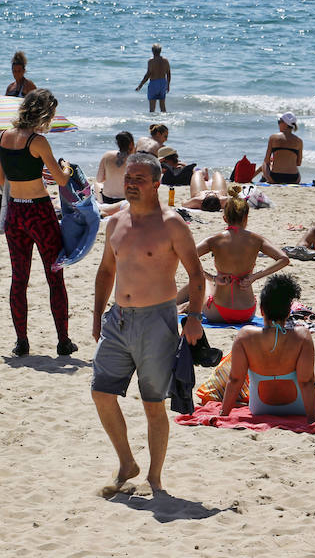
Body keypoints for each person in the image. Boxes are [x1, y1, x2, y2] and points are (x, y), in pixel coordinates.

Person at [91, 151, 205, 496]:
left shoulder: (172, 224)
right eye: (128, 178)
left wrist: (195, 317)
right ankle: (127, 462)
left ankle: (154, 478)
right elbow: (106, 270)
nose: (131, 185)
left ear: (157, 183)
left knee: (152, 403)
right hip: (118, 319)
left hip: (157, 320)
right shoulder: (116, 222)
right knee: (101, 392)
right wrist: (98, 314)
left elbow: (197, 275)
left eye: (139, 179)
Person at [0, 88, 76, 357]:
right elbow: (62, 179)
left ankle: (21, 342)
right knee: (54, 276)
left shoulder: (3, 137)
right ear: (44, 113)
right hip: (39, 214)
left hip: (15, 215)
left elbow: (2, 180)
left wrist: (28, 175)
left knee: (18, 279)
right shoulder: (38, 141)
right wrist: (66, 168)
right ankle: (63, 341)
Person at [220, 274, 315, 422]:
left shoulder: (245, 336)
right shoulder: (302, 336)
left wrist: (223, 414)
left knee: (305, 366)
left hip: (260, 407)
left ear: (262, 310)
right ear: (289, 312)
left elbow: (235, 379)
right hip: (301, 407)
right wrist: (312, 420)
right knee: (309, 368)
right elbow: (306, 382)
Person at [176, 197, 289, 324]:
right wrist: (255, 277)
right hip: (247, 312)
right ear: (246, 218)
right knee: (207, 284)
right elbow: (284, 259)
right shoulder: (257, 240)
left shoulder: (214, 240)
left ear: (225, 218)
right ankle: (184, 305)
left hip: (219, 312)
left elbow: (185, 256)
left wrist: (212, 277)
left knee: (205, 282)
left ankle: (175, 304)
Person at [262, 112, 303, 184]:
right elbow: (299, 163)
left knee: (264, 163)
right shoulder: (299, 141)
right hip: (294, 178)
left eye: (279, 122)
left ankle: (268, 180)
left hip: (275, 178)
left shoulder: (273, 137)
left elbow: (267, 160)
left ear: (285, 124)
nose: (278, 124)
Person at [96, 131, 134, 204]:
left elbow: (99, 179)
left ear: (117, 143)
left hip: (108, 198)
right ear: (131, 143)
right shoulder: (135, 160)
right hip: (127, 199)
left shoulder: (107, 155)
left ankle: (101, 204)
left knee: (97, 184)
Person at [135, 43, 171, 113]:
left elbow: (148, 74)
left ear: (152, 51)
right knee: (162, 106)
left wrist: (140, 85)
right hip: (163, 82)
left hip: (154, 83)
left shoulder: (151, 61)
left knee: (152, 108)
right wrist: (168, 85)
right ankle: (165, 121)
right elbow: (168, 73)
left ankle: (152, 121)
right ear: (160, 51)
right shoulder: (165, 61)